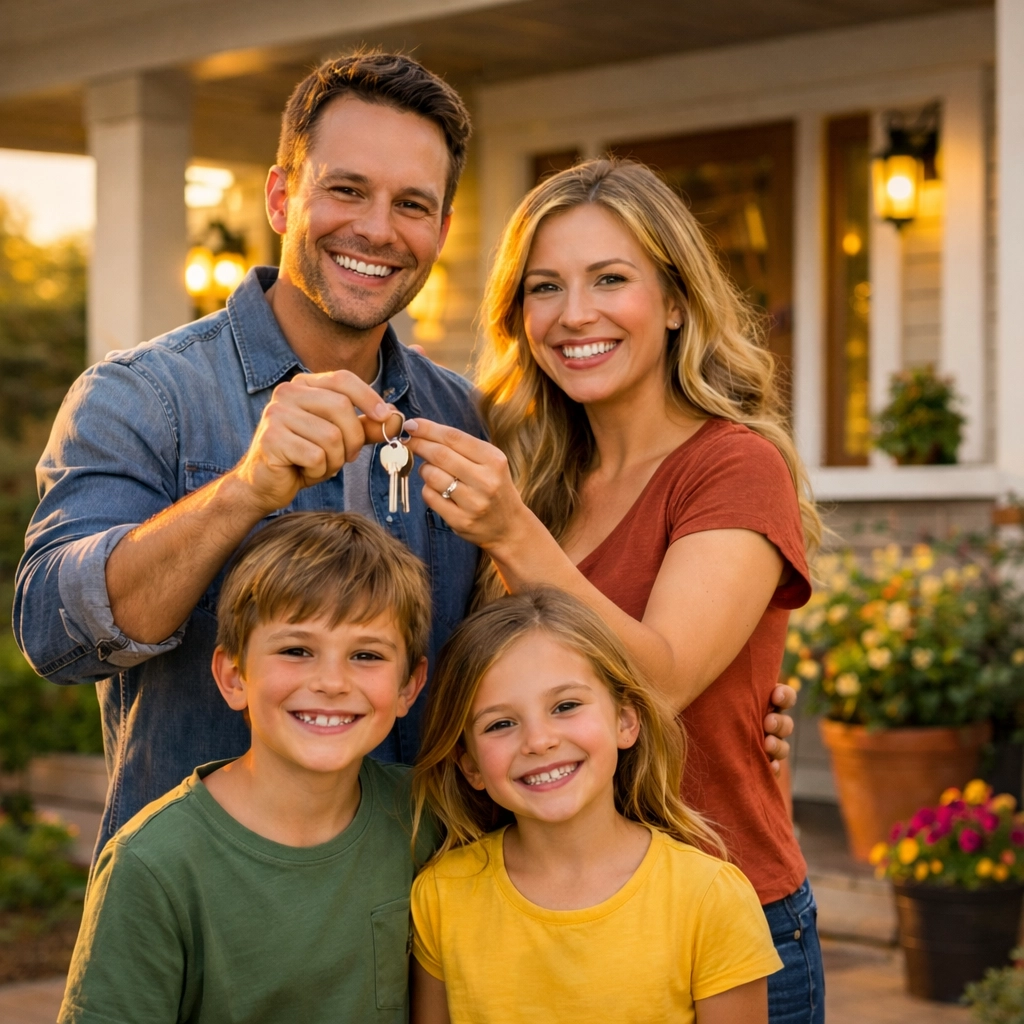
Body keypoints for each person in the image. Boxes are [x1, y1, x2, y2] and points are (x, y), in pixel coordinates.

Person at [13, 52, 483, 855]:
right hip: (208, 928)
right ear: (280, 197)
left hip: (419, 923)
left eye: (412, 203)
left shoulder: (461, 417)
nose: (376, 228)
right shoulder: (142, 396)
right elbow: (53, 634)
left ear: (440, 229)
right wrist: (243, 492)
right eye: (346, 189)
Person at [402, 158, 823, 1022]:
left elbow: (659, 683)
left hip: (717, 925)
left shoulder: (734, 465)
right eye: (545, 287)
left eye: (610, 279)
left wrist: (511, 531)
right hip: (532, 916)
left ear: (675, 301)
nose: (575, 314)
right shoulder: (541, 473)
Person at [59, 511, 433, 1024]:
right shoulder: (152, 866)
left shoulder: (426, 818)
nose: (331, 682)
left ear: (408, 687)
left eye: (366, 655)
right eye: (297, 650)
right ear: (234, 676)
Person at [410, 588, 781, 1024]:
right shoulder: (441, 895)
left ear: (625, 720)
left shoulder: (710, 898)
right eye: (501, 723)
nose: (539, 741)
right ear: (470, 765)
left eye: (565, 706)